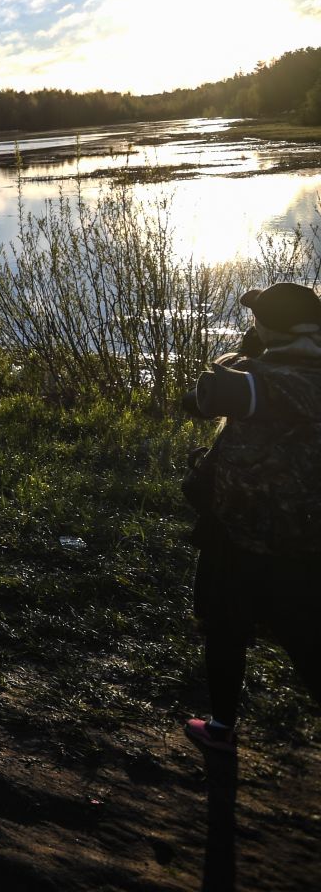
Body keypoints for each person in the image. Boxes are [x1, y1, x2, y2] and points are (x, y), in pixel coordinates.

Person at [178, 281, 321, 754]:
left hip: (242, 531)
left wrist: (246, 355)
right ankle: (220, 726)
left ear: (270, 327)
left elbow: (210, 394)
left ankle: (221, 729)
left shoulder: (274, 380)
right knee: (305, 637)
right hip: (306, 533)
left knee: (225, 628)